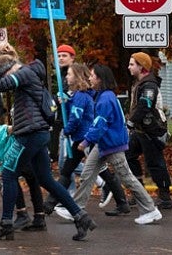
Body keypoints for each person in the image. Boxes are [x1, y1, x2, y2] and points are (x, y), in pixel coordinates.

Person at [0, 44, 95, 242]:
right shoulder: (27, 73)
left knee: (9, 175)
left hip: (29, 133)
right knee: (46, 179)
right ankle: (80, 216)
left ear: (10, 68)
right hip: (38, 133)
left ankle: (6, 224)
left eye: (5, 73)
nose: (6, 78)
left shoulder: (24, 74)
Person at [61, 64, 162, 226]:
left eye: (92, 76)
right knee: (87, 173)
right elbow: (89, 98)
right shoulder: (102, 96)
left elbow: (100, 124)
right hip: (103, 143)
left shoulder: (106, 99)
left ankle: (150, 209)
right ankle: (76, 208)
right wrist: (68, 99)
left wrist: (86, 141)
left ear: (100, 79)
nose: (89, 78)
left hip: (112, 144)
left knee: (127, 177)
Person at [43, 63, 128, 216]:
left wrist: (66, 130)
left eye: (69, 74)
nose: (66, 77)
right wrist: (66, 102)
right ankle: (121, 202)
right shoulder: (78, 95)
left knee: (70, 170)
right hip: (82, 137)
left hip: (84, 138)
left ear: (76, 77)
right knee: (88, 170)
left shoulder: (81, 96)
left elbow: (76, 118)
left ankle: (51, 204)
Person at [126, 52, 172, 210]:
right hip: (140, 130)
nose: (129, 67)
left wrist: (130, 122)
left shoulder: (149, 85)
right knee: (129, 155)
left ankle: (165, 197)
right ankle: (139, 192)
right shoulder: (139, 83)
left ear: (142, 67)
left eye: (132, 64)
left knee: (155, 163)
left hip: (152, 130)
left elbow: (145, 105)